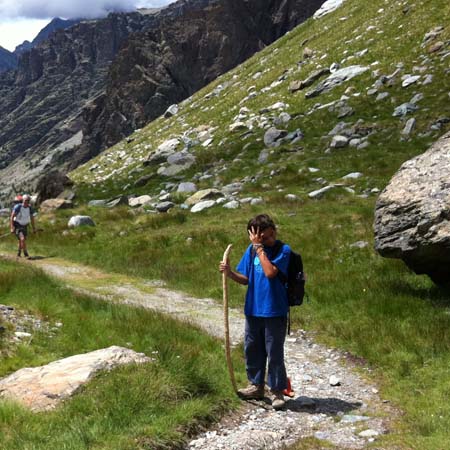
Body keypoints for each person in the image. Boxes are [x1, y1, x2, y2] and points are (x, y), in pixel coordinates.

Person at [219, 214, 291, 410]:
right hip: (253, 309)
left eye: (267, 236)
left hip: (274, 311)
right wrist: (230, 273)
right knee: (252, 349)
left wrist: (260, 248)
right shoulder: (251, 252)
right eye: (260, 237)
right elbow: (246, 278)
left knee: (274, 352)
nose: (265, 240)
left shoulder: (283, 250)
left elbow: (270, 273)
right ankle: (256, 385)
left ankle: (277, 391)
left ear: (274, 231)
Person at [10, 194, 36, 258]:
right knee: (22, 238)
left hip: (25, 226)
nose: (26, 202)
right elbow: (12, 217)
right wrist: (12, 227)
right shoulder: (18, 207)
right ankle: (26, 253)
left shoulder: (30, 208)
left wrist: (34, 228)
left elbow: (32, 218)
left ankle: (18, 253)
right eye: (25, 200)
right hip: (17, 225)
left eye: (28, 200)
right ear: (22, 200)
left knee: (21, 240)